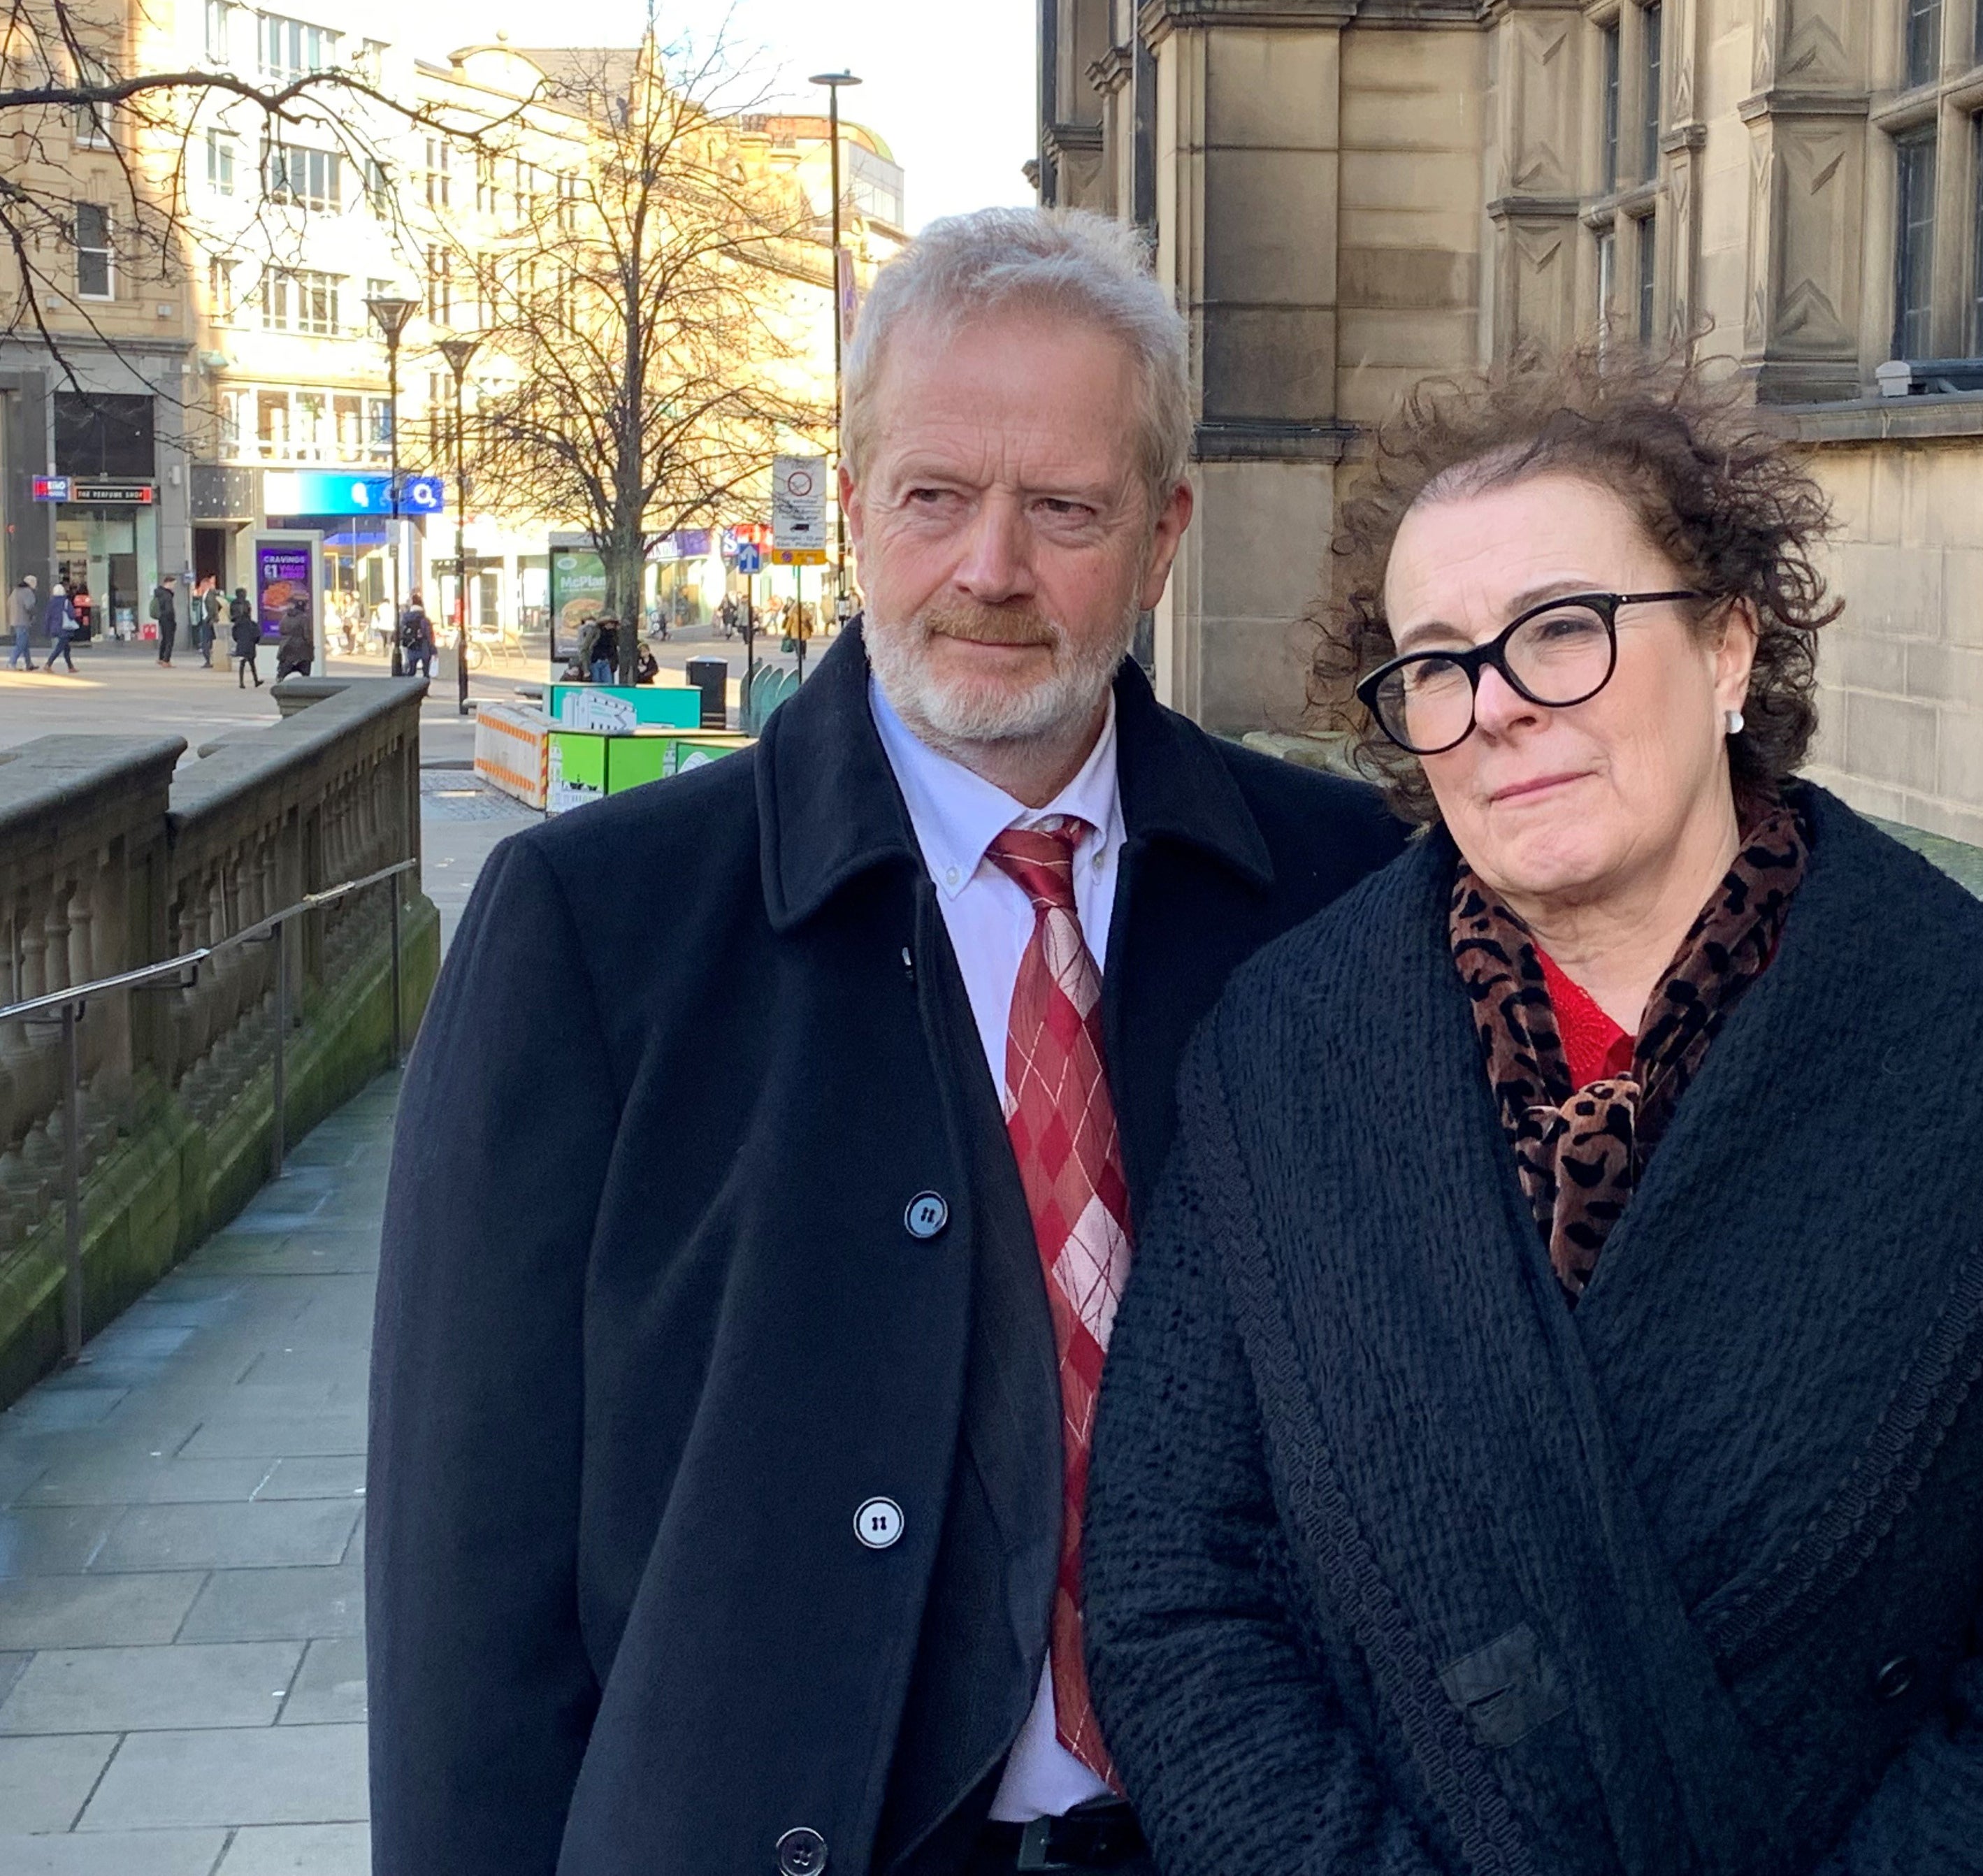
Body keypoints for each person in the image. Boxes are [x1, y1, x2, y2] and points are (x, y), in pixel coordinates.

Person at [1083, 354, 1983, 1876]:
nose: (1496, 709)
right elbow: (1177, 1588)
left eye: (1563, 629)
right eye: (1439, 661)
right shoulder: (1282, 1055)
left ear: (1729, 646)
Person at [367, 206, 1404, 1876]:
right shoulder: (595, 927)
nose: (988, 570)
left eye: (1061, 508)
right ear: (851, 507)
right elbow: (464, 1574)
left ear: (1159, 535)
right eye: (932, 496)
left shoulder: (1342, 895)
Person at [396, 593, 434, 695]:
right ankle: (425, 691)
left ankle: (408, 690)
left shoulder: (406, 618)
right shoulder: (424, 619)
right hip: (424, 646)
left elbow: (401, 630)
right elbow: (428, 635)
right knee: (426, 672)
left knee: (411, 670)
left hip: (411, 646)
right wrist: (433, 649)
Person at [275, 599, 315, 681]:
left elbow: (281, 630)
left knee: (285, 667)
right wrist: (310, 646)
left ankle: (280, 678)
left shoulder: (285, 618)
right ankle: (306, 683)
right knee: (305, 669)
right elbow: (307, 634)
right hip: (302, 648)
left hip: (287, 647)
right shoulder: (304, 618)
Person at [229, 589, 261, 687]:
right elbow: (257, 635)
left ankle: (242, 682)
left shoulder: (233, 604)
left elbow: (234, 633)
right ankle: (255, 680)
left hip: (241, 639)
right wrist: (255, 641)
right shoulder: (252, 624)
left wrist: (238, 639)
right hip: (250, 644)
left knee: (242, 663)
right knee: (252, 663)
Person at [43, 584, 77, 672]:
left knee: (66, 647)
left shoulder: (51, 603)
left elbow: (47, 617)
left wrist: (47, 630)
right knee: (60, 647)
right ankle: (49, 663)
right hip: (64, 628)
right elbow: (72, 615)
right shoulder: (66, 602)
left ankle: (70, 667)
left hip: (55, 628)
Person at [6, 575, 36, 670]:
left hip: (15, 620)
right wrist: (32, 616)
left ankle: (29, 663)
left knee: (25, 642)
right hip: (23, 620)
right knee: (21, 642)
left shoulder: (15, 591)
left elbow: (9, 603)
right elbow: (29, 606)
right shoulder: (28, 592)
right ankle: (12, 662)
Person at [152, 577, 178, 665]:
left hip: (162, 619)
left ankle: (161, 657)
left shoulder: (159, 593)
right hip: (168, 620)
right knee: (170, 640)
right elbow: (169, 609)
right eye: (173, 584)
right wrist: (172, 619)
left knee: (164, 639)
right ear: (168, 583)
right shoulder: (167, 595)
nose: (174, 586)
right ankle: (166, 660)